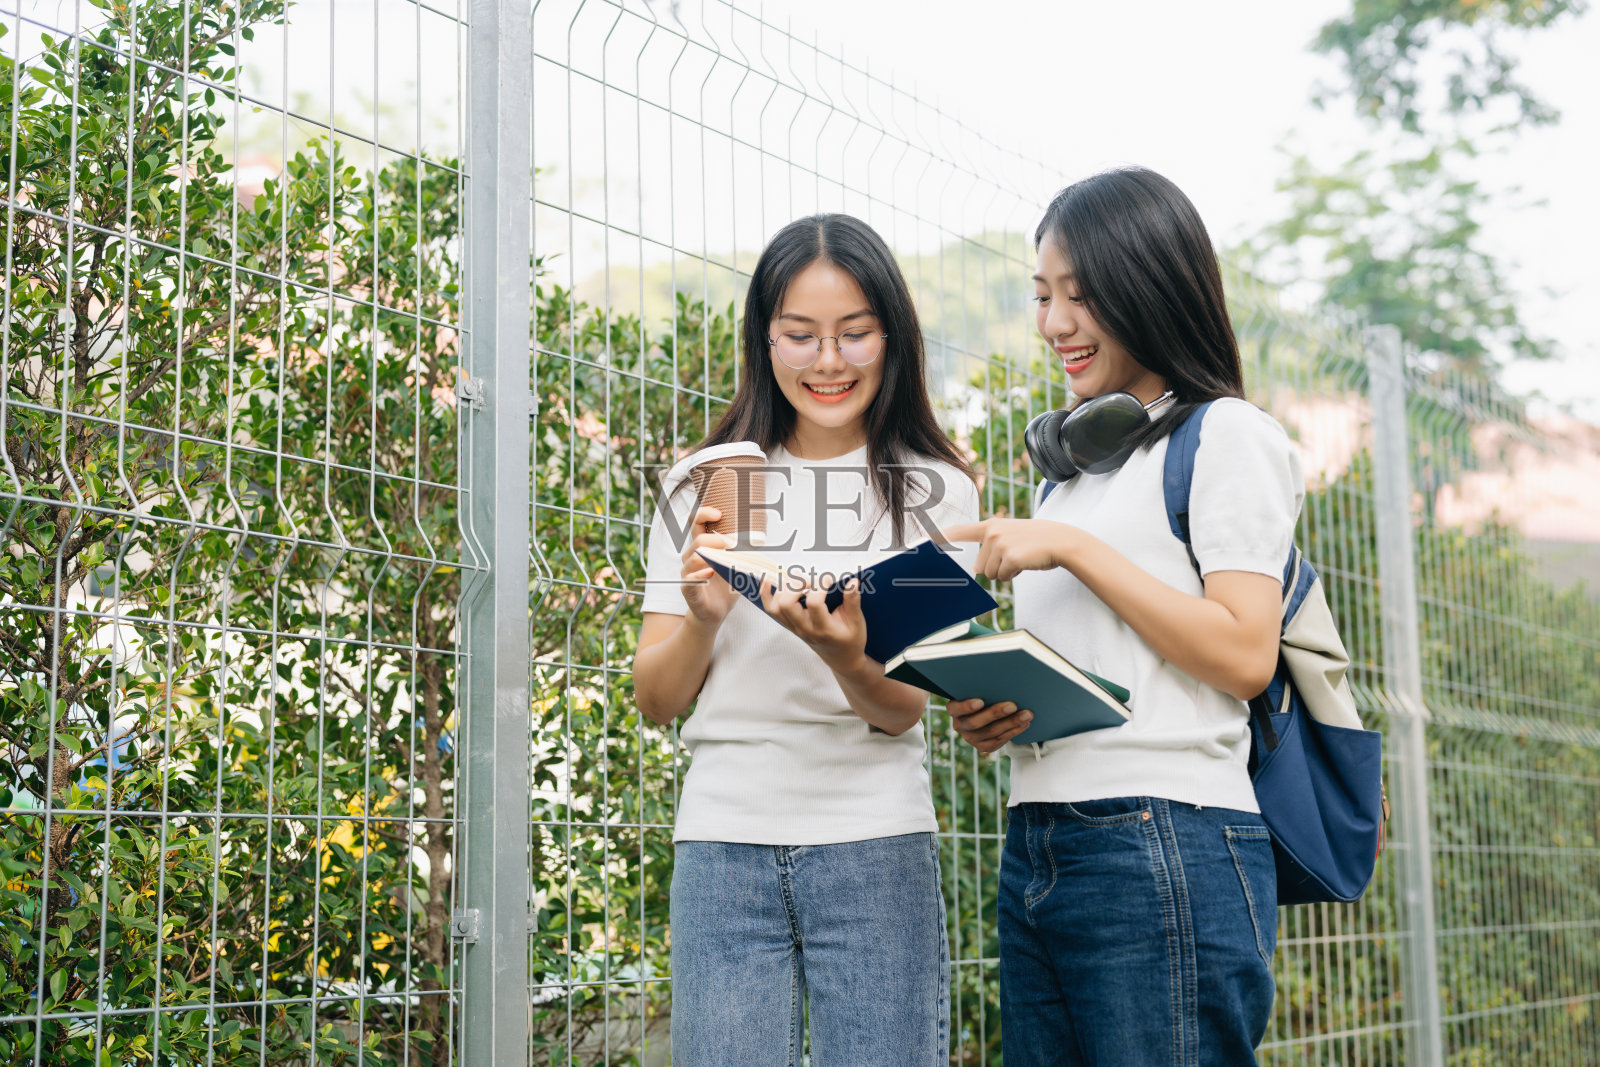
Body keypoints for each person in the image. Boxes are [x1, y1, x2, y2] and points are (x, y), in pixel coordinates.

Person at [941, 167, 1298, 1066]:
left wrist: (1073, 550)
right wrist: (1000, 708)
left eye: (1082, 294)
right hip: (1039, 835)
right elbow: (1109, 670)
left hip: (1163, 833)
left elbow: (1245, 653)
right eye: (1042, 295)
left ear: (1151, 285)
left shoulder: (1225, 435)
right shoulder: (1068, 477)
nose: (1054, 322)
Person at [632, 213, 979, 1065]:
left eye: (855, 332)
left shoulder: (935, 492)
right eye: (800, 334)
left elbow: (902, 711)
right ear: (765, 339)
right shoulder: (709, 482)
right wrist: (705, 617)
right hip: (722, 843)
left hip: (875, 842)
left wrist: (841, 649)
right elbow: (656, 698)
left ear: (893, 337)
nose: (828, 361)